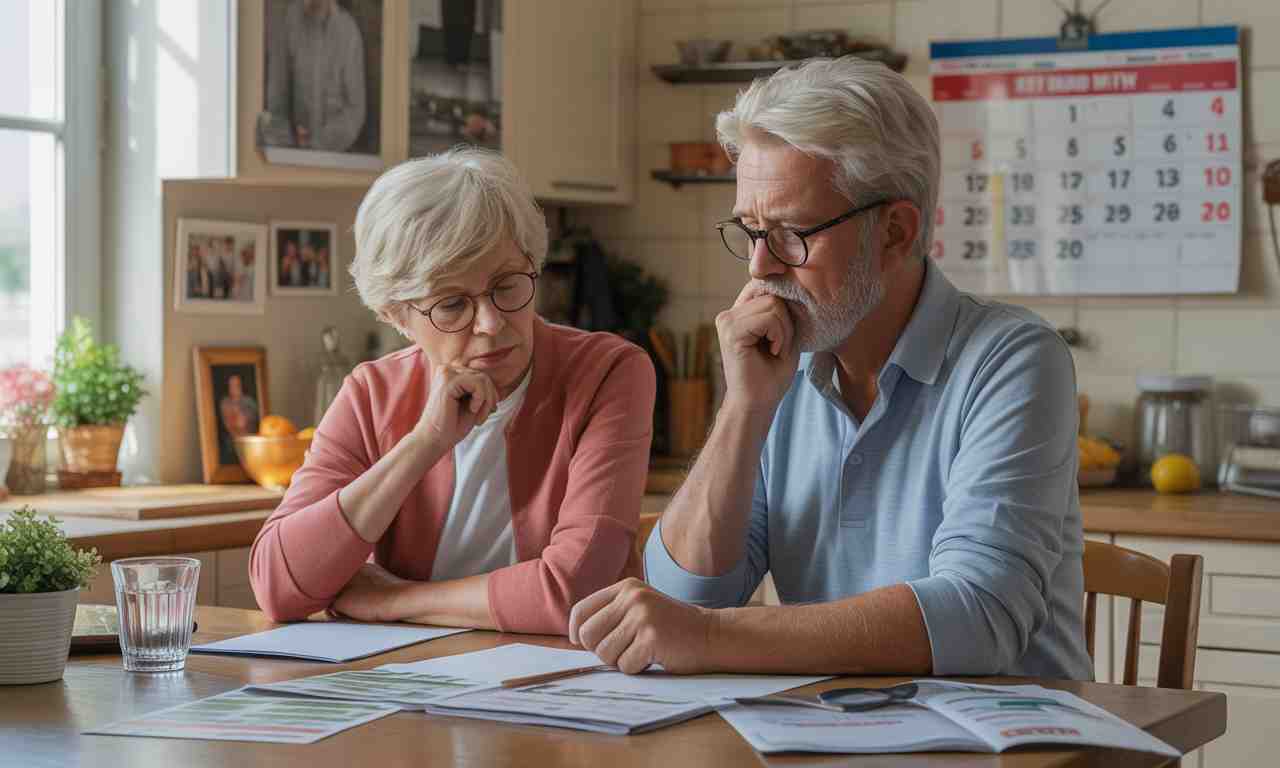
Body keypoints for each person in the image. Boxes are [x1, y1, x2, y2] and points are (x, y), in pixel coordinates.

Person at [569, 58, 1093, 681]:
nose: (759, 268)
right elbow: (681, 600)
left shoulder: (1012, 358)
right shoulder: (784, 361)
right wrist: (744, 409)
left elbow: (979, 618)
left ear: (896, 231)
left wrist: (709, 635)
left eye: (791, 234)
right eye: (750, 231)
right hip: (832, 735)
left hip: (1014, 746)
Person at [249, 147, 656, 635]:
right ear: (396, 316)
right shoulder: (371, 393)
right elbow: (277, 585)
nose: (491, 323)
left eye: (507, 286)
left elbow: (574, 592)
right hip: (410, 683)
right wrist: (425, 442)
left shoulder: (608, 372)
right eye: (451, 304)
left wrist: (391, 600)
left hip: (564, 684)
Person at [265, 0, 367, 152]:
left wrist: (320, 143)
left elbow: (355, 110)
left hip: (338, 152)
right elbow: (276, 99)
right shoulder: (287, 22)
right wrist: (287, 142)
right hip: (292, 152)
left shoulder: (348, 31)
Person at [219, 374, 260, 461]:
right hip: (232, 443)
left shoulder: (249, 402)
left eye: (236, 385)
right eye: (231, 385)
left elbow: (248, 422)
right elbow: (228, 424)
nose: (234, 388)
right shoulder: (225, 403)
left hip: (250, 442)